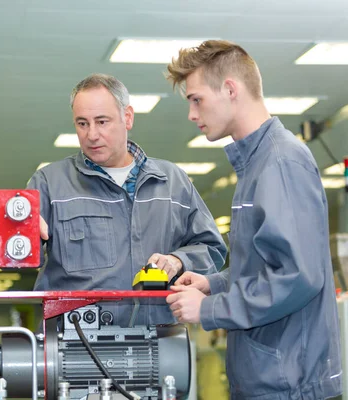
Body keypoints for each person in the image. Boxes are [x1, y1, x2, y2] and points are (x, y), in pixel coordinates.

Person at [165, 40, 342, 399]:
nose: (191, 114)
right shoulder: (256, 165)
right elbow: (264, 265)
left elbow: (297, 276)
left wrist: (210, 309)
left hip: (289, 386)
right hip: (267, 379)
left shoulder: (281, 162)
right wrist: (213, 284)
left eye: (196, 99)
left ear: (230, 89)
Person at [27, 73, 227, 327]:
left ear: (127, 117)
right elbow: (18, 257)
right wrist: (22, 238)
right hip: (75, 346)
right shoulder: (49, 184)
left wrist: (179, 260)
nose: (91, 135)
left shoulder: (172, 183)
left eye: (102, 121)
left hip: (158, 342)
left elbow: (212, 248)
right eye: (82, 123)